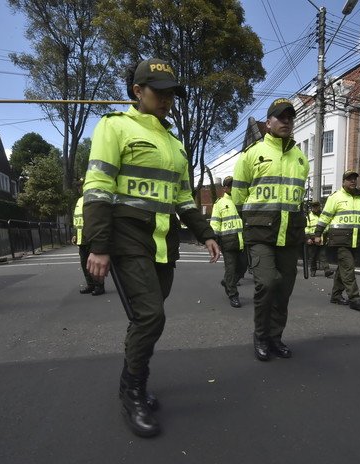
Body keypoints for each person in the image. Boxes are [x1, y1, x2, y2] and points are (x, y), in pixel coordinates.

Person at [82, 58, 220, 438]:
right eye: (158, 91)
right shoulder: (115, 127)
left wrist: (206, 233)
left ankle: (136, 380)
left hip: (163, 242)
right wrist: (99, 245)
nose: (166, 99)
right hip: (127, 239)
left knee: (148, 318)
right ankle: (132, 392)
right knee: (150, 317)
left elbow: (182, 197)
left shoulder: (174, 143)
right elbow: (98, 187)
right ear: (137, 91)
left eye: (170, 93)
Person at [232, 97, 309, 362]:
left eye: (290, 117)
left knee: (284, 289)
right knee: (266, 283)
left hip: (290, 233)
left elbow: (297, 200)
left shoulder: (300, 159)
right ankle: (261, 335)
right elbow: (238, 197)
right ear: (268, 122)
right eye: (280, 117)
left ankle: (275, 337)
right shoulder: (252, 154)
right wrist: (252, 221)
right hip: (260, 233)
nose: (286, 121)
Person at [314, 170, 360, 311]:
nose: (353, 181)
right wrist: (318, 234)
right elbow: (325, 217)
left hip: (356, 239)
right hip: (340, 239)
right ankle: (354, 298)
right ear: (343, 181)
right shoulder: (335, 197)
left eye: (354, 178)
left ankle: (336, 295)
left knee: (343, 268)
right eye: (349, 179)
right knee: (348, 267)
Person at [210, 176, 247, 308]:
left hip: (242, 241)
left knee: (243, 268)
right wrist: (215, 242)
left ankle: (227, 282)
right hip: (227, 242)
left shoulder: (242, 200)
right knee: (231, 269)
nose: (233, 188)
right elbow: (215, 223)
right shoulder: (219, 203)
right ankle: (233, 294)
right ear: (225, 188)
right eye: (230, 186)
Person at [73, 195, 105, 295]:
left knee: (94, 263)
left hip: (91, 236)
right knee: (84, 264)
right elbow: (77, 219)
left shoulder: (92, 198)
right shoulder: (79, 200)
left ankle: (99, 286)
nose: (79, 188)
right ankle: (90, 285)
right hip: (81, 238)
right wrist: (75, 234)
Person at [305, 201, 332, 277]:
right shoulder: (309, 217)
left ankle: (327, 270)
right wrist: (308, 239)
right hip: (312, 239)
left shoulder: (323, 216)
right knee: (312, 257)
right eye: (314, 206)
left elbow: (326, 226)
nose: (315, 208)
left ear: (319, 207)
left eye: (317, 206)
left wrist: (325, 235)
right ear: (312, 207)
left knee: (323, 255)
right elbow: (306, 228)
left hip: (322, 238)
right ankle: (313, 270)